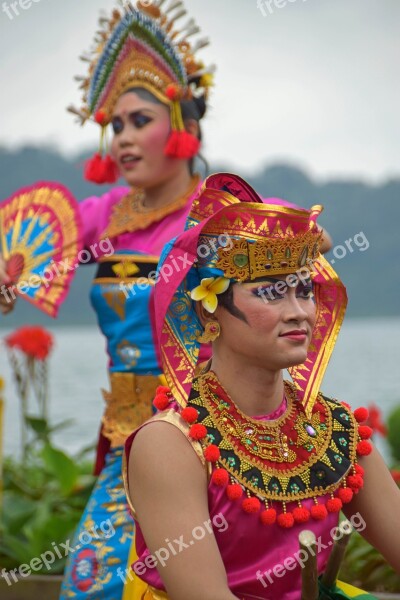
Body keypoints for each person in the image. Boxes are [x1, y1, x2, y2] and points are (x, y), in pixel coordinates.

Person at [1, 1, 214, 598]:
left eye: (137, 120)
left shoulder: (222, 213)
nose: (121, 138)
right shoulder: (101, 220)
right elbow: (28, 261)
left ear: (183, 124)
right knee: (95, 583)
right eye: (112, 125)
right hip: (132, 443)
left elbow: (310, 239)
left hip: (215, 438)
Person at [125, 173, 400, 600]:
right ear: (206, 313)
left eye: (305, 291)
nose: (299, 313)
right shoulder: (171, 443)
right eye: (272, 293)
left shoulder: (334, 428)